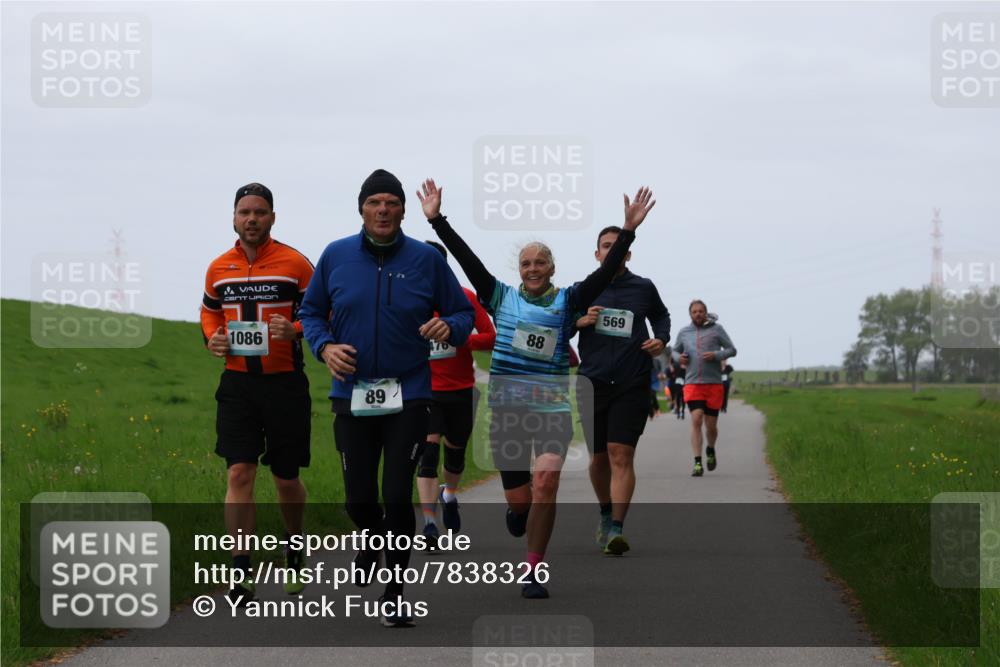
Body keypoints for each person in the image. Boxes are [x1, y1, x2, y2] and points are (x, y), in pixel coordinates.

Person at [418, 178, 656, 598]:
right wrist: (438, 221)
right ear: (519, 270)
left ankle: (533, 571)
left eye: (540, 263)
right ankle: (517, 510)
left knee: (546, 481)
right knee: (522, 501)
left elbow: (604, 273)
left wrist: (629, 229)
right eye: (526, 263)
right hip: (508, 412)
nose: (532, 269)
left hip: (552, 411)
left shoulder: (571, 301)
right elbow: (466, 259)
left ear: (551, 269)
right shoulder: (499, 297)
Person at [299, 169, 475, 627]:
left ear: (402, 210)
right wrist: (324, 347)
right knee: (359, 501)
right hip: (351, 394)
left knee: (396, 494)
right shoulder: (336, 256)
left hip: (410, 394)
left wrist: (449, 326)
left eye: (391, 203)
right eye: (374, 202)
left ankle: (395, 592)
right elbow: (312, 312)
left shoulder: (425, 260)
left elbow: (461, 311)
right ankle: (374, 539)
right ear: (361, 208)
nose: (383, 210)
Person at [200, 183, 315, 606]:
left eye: (261, 212)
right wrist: (213, 338)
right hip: (237, 385)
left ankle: (295, 545)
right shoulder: (218, 268)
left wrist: (297, 329)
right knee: (239, 473)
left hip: (284, 383)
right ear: (233, 217)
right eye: (245, 212)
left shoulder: (296, 263)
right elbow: (210, 312)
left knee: (286, 476)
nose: (252, 219)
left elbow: (324, 312)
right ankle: (240, 570)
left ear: (272, 217)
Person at [573, 225, 670, 556]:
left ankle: (616, 527)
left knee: (620, 452)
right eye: (605, 246)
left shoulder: (643, 288)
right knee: (598, 458)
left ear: (627, 253)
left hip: (632, 380)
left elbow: (661, 315)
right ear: (597, 253)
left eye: (617, 246)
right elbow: (561, 319)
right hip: (592, 382)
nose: (611, 251)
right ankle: (604, 510)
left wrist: (661, 338)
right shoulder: (583, 289)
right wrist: (578, 321)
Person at [418, 240, 496, 548]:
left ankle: (449, 494)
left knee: (455, 452)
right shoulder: (411, 301)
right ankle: (428, 525)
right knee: (427, 453)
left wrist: (460, 338)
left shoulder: (463, 297)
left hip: (462, 389)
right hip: (424, 391)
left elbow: (490, 336)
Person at [671, 300, 737, 476]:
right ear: (690, 314)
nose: (697, 314)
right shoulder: (684, 332)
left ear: (705, 312)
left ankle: (710, 448)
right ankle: (697, 462)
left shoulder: (717, 329)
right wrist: (680, 359)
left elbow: (732, 350)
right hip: (692, 383)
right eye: (694, 312)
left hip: (713, 384)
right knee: (696, 420)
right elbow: (674, 351)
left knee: (711, 426)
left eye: (700, 311)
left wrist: (717, 355)